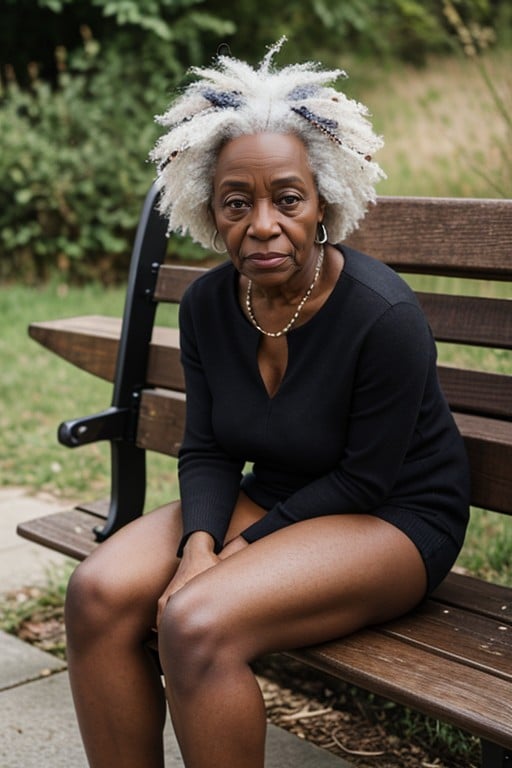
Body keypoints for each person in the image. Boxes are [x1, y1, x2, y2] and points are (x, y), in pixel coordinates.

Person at [64, 39, 470, 768]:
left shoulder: (383, 316)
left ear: (322, 204)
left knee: (194, 620)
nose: (262, 224)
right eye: (236, 202)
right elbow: (211, 448)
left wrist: (224, 561)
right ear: (209, 211)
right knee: (96, 592)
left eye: (286, 198)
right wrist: (197, 546)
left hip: (393, 518)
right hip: (285, 496)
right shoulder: (210, 305)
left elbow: (364, 481)